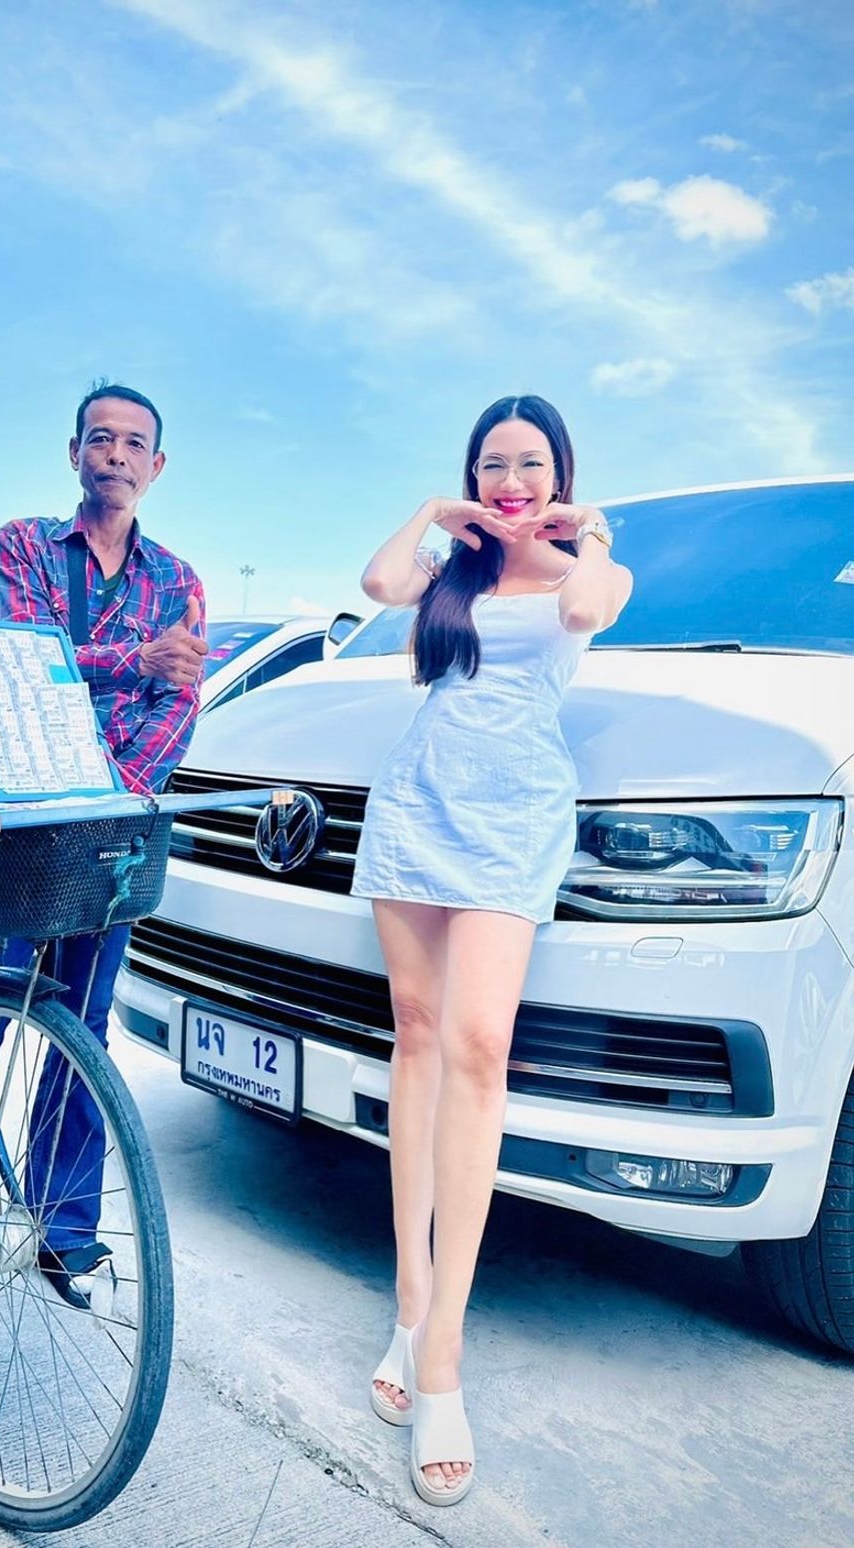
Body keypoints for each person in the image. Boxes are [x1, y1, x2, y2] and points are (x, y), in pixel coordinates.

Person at [0, 380, 207, 1305]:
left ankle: (66, 1229)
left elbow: (180, 702)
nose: (116, 455)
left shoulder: (179, 582)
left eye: (134, 443)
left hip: (112, 831)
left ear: (157, 465)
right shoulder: (22, 544)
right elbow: (23, 661)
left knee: (83, 1029)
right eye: (101, 438)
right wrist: (131, 664)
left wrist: (109, 791)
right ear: (74, 453)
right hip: (15, 821)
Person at [352, 395, 632, 1506]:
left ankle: (444, 1360)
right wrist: (435, 511)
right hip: (414, 805)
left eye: (528, 464)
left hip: (514, 818)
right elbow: (378, 582)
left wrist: (586, 530)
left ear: (558, 472)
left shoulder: (585, 568)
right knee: (416, 1036)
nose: (508, 482)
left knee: (477, 1048)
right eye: (489, 465)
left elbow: (589, 609)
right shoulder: (448, 574)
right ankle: (408, 1307)